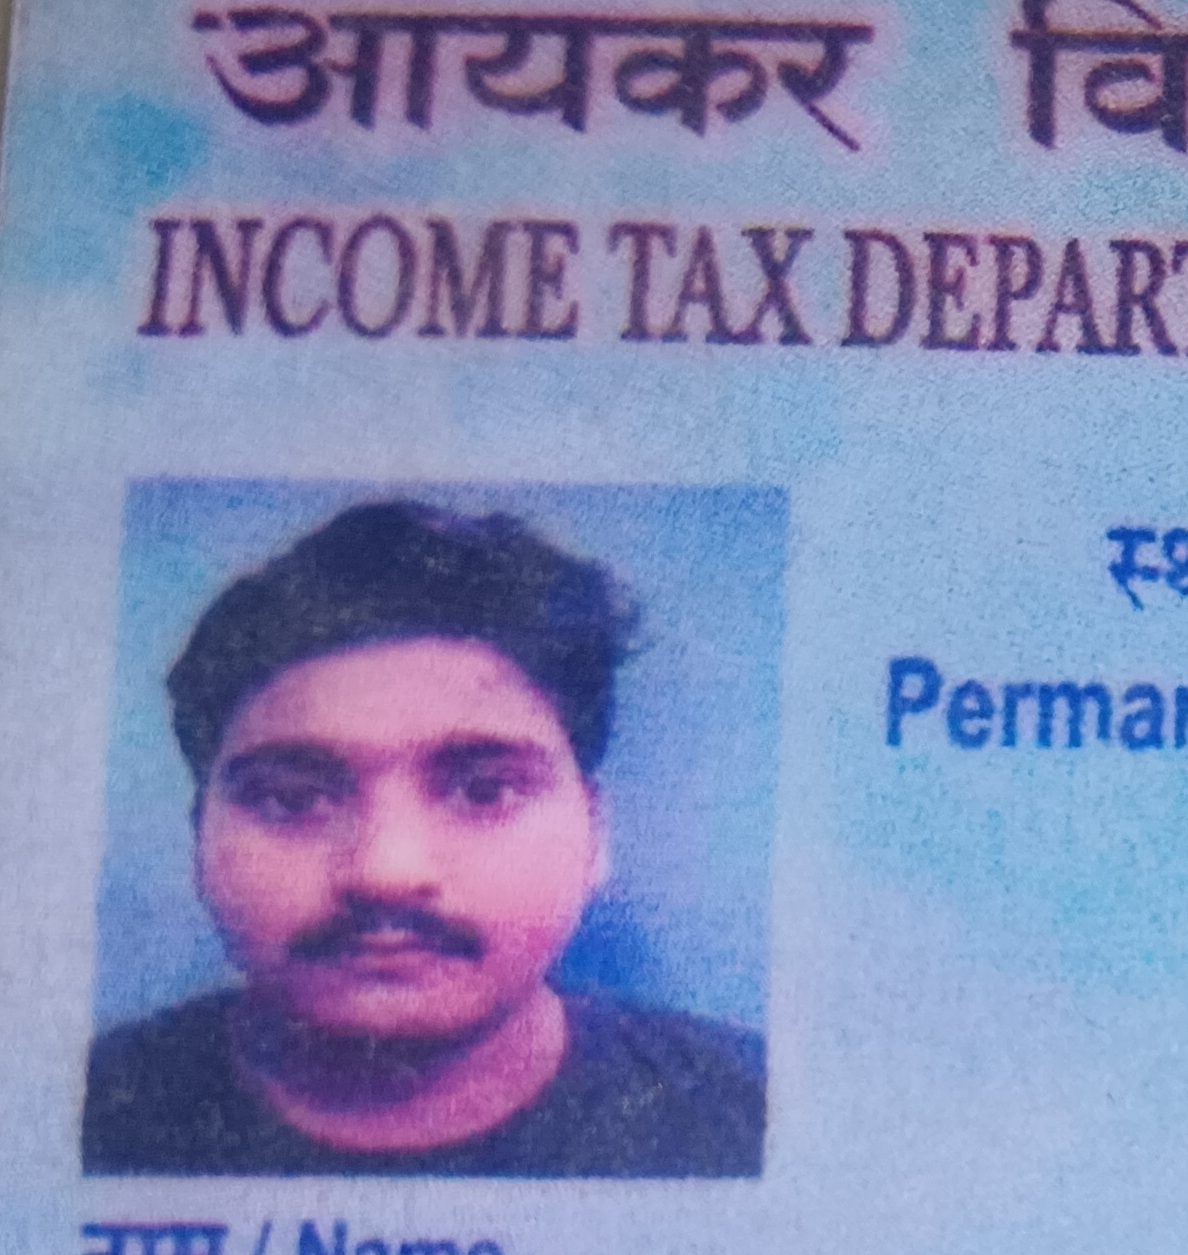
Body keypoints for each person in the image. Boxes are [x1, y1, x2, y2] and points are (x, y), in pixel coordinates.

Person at [82, 501, 765, 1177]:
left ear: (595, 834)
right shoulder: (75, 1118)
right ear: (199, 836)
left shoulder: (756, 1117)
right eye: (292, 799)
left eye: (485, 792)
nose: (386, 871)